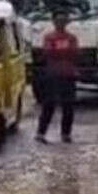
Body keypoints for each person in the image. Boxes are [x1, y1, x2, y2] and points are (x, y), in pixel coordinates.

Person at [37, 8, 79, 143]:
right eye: (58, 20)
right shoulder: (49, 37)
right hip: (52, 75)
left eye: (63, 20)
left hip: (68, 74)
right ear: (53, 21)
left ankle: (66, 133)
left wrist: (59, 51)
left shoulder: (71, 38)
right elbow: (48, 53)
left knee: (68, 106)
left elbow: (74, 53)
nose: (60, 23)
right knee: (48, 104)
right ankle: (41, 132)